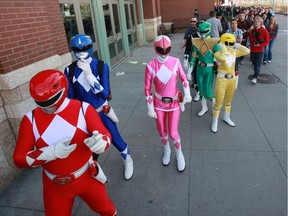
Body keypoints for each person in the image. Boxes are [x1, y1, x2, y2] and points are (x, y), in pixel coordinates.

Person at [13, 69, 117, 216]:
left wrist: (102, 142)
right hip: (54, 185)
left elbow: (105, 134)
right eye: (41, 103)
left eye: (50, 101)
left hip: (87, 176)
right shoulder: (30, 120)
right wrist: (49, 153)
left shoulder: (83, 108)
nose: (47, 107)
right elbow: (18, 159)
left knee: (107, 210)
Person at [64, 34, 133, 180]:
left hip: (102, 111)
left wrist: (89, 75)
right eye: (77, 48)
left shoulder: (101, 66)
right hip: (84, 116)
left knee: (116, 139)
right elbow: (70, 99)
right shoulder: (69, 70)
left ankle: (128, 159)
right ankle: (94, 169)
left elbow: (104, 94)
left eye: (85, 47)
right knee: (89, 147)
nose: (81, 51)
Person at [144, 35, 192, 172]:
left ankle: (179, 153)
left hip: (174, 103)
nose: (164, 53)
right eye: (161, 49)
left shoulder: (175, 62)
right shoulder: (150, 65)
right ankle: (167, 150)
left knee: (173, 132)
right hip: (159, 104)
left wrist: (187, 93)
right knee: (161, 130)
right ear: (155, 49)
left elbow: (184, 79)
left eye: (167, 49)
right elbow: (147, 88)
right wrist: (149, 107)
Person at [211, 33, 250, 132]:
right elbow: (223, 58)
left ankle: (226, 117)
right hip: (222, 79)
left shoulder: (233, 52)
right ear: (223, 43)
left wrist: (236, 45)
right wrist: (223, 48)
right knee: (219, 102)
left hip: (232, 79)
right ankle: (214, 121)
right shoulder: (218, 53)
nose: (230, 45)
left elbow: (247, 51)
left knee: (228, 101)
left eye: (232, 43)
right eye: (229, 43)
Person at [187, 21, 220, 117]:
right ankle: (204, 107)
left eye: (204, 32)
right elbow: (193, 58)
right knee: (201, 90)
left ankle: (215, 107)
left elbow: (219, 58)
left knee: (208, 91)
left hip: (209, 69)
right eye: (200, 32)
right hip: (199, 69)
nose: (202, 34)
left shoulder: (214, 43)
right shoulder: (197, 42)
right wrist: (189, 72)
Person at [178, 17, 200, 101]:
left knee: (199, 72)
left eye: (194, 21)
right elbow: (185, 40)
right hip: (191, 54)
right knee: (193, 72)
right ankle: (197, 89)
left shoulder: (201, 31)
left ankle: (197, 83)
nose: (192, 23)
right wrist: (181, 49)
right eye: (191, 21)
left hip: (201, 55)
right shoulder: (189, 31)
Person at [248, 16, 270, 84]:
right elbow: (250, 39)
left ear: (261, 23)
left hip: (260, 50)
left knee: (257, 64)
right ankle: (257, 73)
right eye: (256, 22)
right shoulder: (251, 31)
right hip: (253, 50)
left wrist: (260, 45)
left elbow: (267, 41)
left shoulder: (264, 31)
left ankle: (255, 77)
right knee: (254, 63)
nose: (257, 23)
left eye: (258, 22)